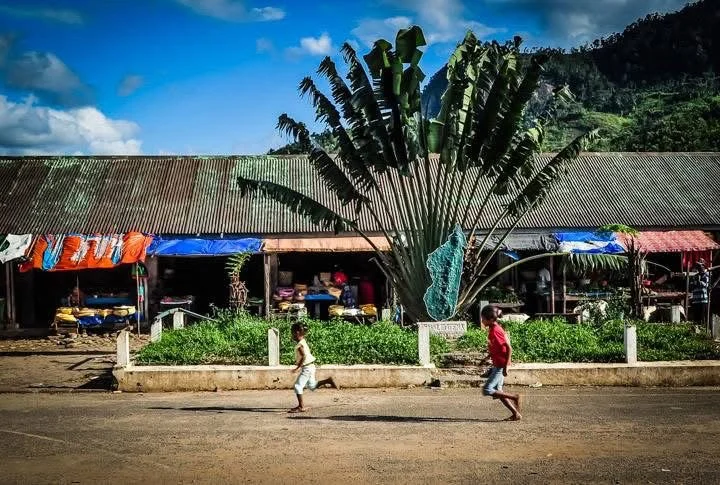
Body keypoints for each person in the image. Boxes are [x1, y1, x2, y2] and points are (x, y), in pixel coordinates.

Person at [480, 305, 522, 421]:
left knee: (487, 390)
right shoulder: (493, 329)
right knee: (499, 391)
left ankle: (515, 397)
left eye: (483, 318)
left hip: (500, 365)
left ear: (490, 319)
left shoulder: (496, 331)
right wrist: (487, 357)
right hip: (498, 364)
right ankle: (516, 414)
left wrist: (506, 366)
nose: (482, 321)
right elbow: (496, 348)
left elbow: (509, 348)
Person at [289, 322, 339, 413]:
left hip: (307, 368)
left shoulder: (300, 345)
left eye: (292, 332)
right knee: (311, 386)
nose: (291, 335)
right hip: (311, 366)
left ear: (296, 333)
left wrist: (297, 367)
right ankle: (328, 380)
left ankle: (301, 406)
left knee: (297, 386)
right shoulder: (303, 341)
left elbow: (303, 356)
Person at [691, 260, 710, 330]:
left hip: (703, 300)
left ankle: (704, 329)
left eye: (700, 266)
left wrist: (698, 282)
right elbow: (692, 285)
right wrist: (697, 282)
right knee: (696, 316)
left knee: (703, 317)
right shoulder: (695, 276)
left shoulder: (707, 275)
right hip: (696, 299)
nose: (699, 267)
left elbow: (705, 285)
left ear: (703, 266)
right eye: (698, 266)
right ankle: (697, 330)